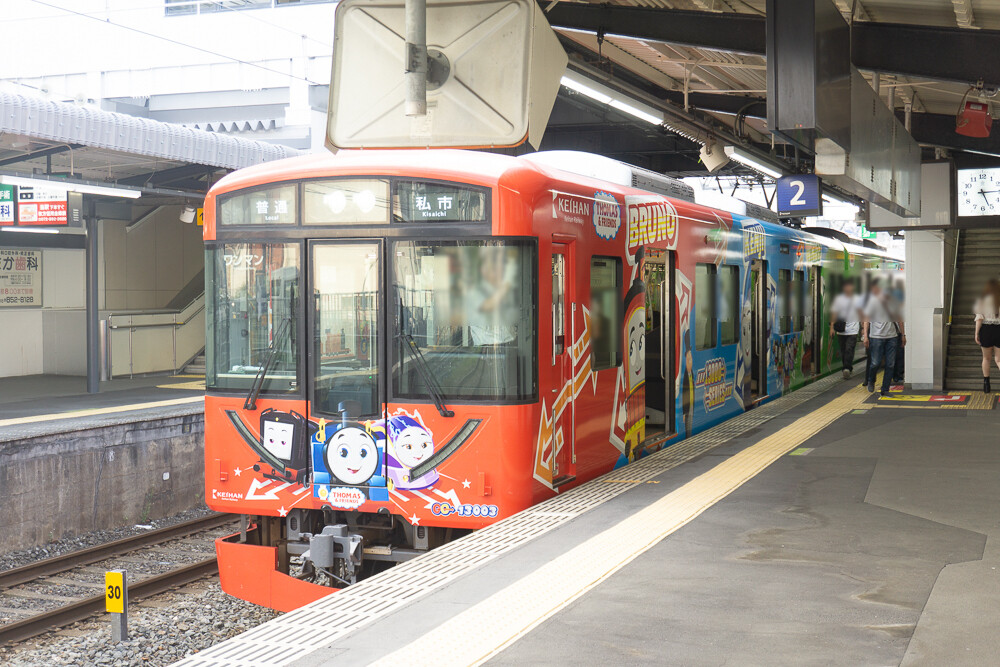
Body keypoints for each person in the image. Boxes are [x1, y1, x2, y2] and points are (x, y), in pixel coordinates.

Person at [862, 281, 905, 396]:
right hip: (876, 337)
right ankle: (871, 380)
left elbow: (900, 320)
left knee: (890, 364)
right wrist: (865, 336)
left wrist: (903, 335)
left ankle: (885, 389)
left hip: (892, 337)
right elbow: (866, 321)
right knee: (875, 363)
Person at [829, 281, 862, 380]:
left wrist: (863, 328)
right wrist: (832, 327)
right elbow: (834, 313)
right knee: (843, 350)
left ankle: (847, 368)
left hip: (853, 330)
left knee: (849, 349)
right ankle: (847, 368)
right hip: (841, 330)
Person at [974, 279, 1000, 393]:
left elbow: (979, 318)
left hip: (986, 330)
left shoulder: (982, 300)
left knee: (986, 358)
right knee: (999, 360)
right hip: (999, 329)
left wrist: (976, 333)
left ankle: (986, 385)